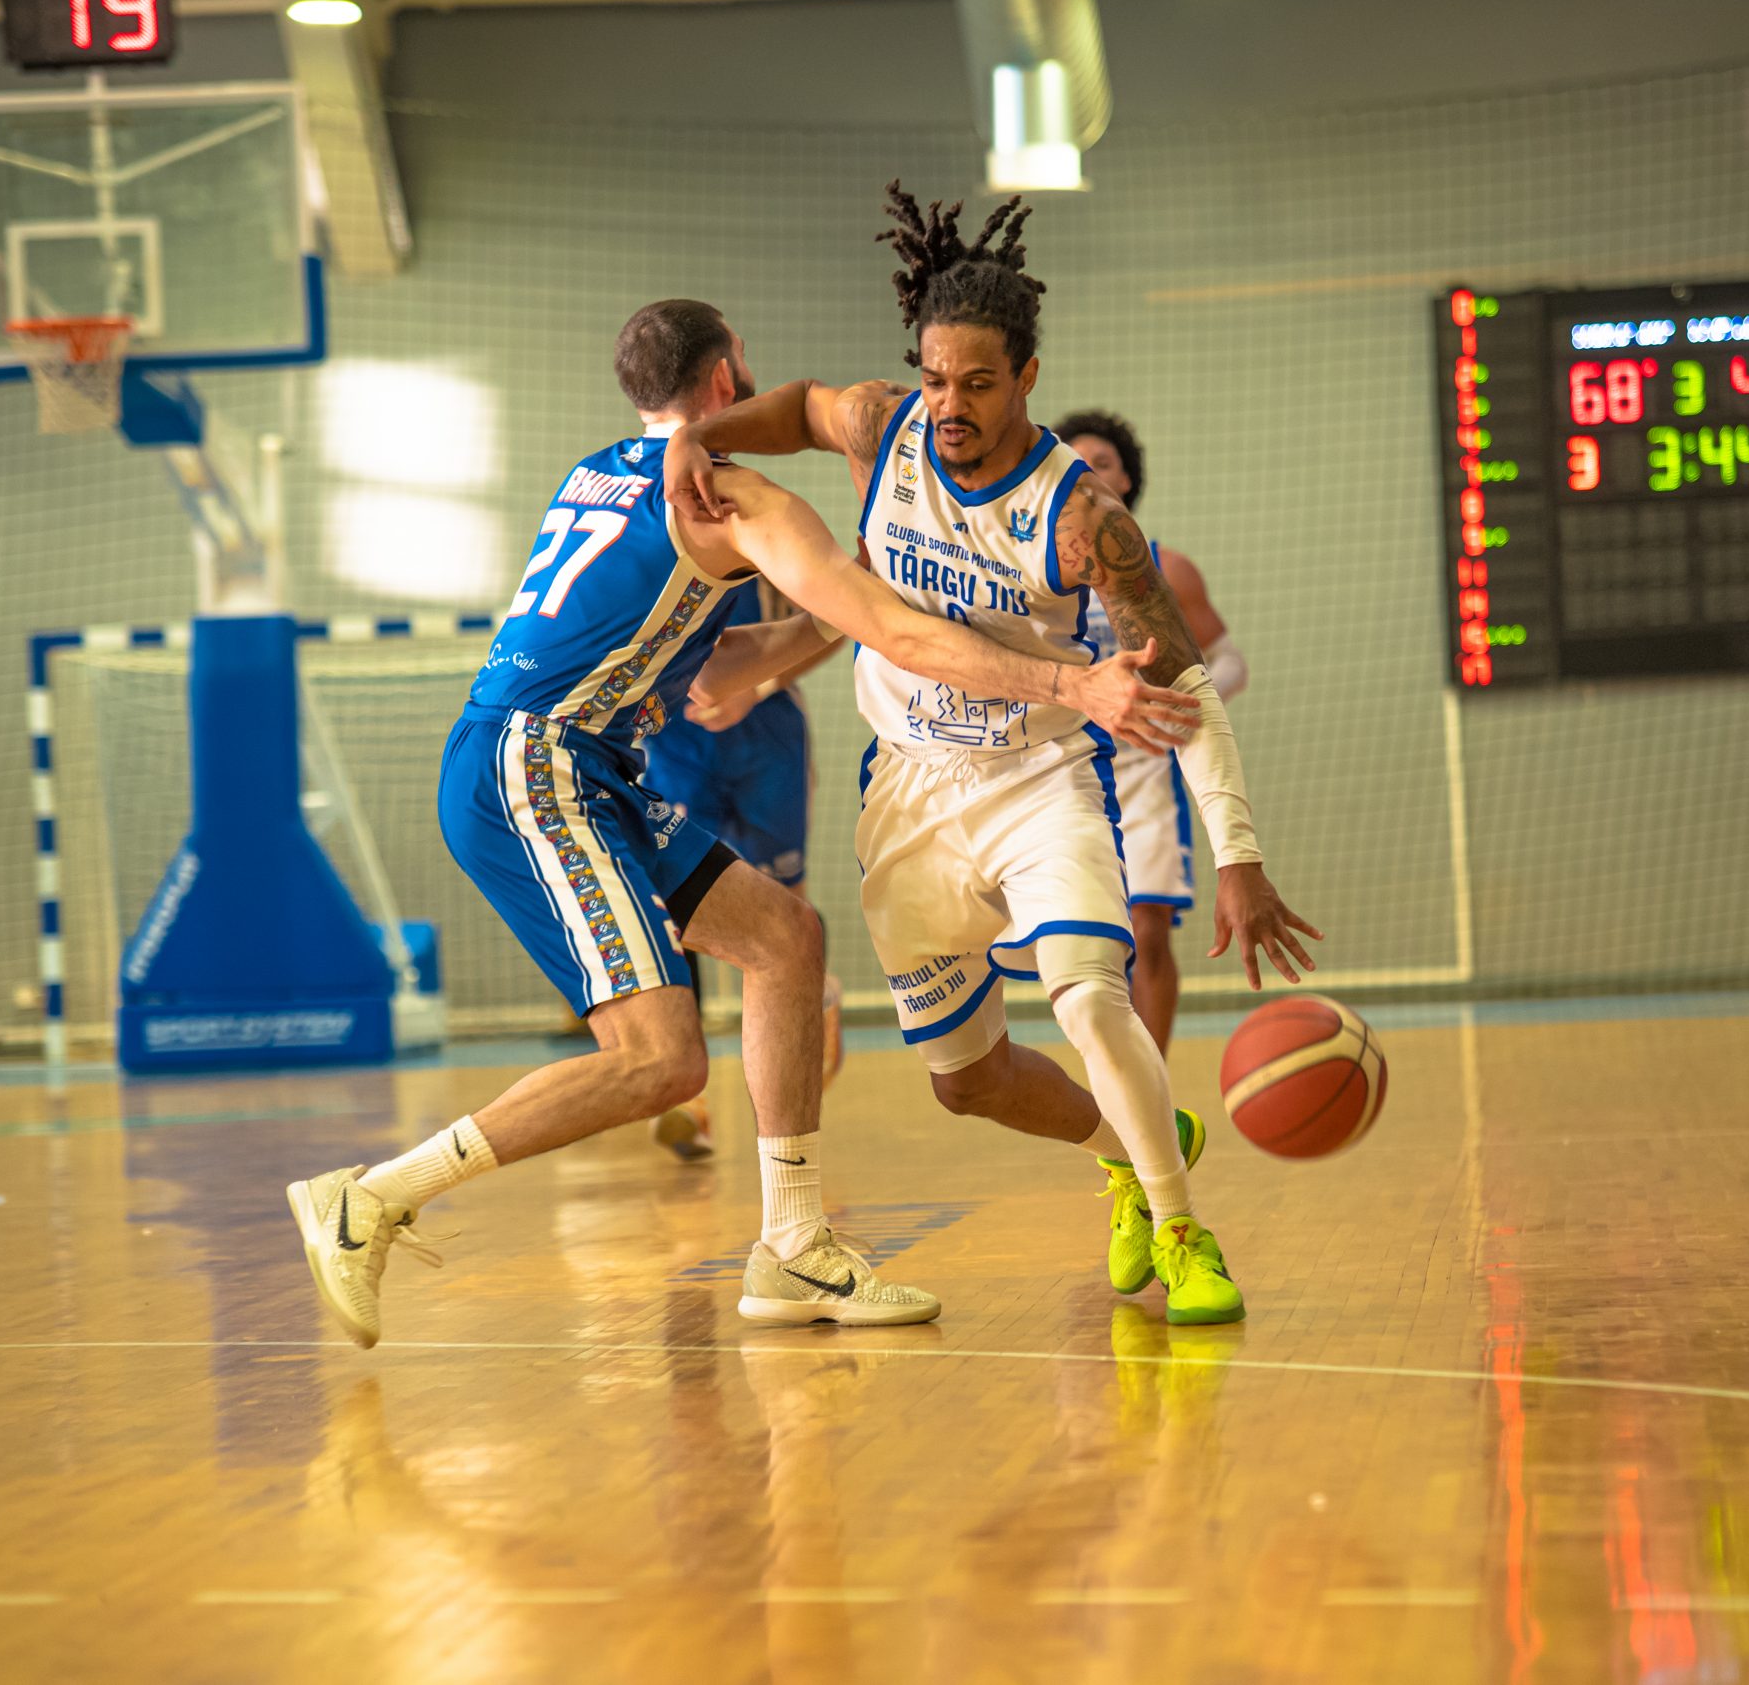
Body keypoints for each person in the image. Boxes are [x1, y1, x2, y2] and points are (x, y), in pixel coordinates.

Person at [287, 298, 1199, 1346]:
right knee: (661, 1062)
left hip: (577, 759)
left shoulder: (595, 474)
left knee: (785, 939)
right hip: (537, 767)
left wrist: (787, 634)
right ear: (725, 379)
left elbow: (690, 658)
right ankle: (372, 1199)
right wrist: (1069, 681)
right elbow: (897, 632)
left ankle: (796, 1245)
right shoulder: (736, 499)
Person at [669, 186, 1319, 1326]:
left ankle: (1182, 1231)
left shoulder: (1082, 519)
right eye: (935, 378)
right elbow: (803, 405)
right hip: (908, 787)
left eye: (977, 383)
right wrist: (698, 436)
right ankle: (1134, 1148)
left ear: (1026, 375)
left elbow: (1185, 682)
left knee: (1089, 997)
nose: (950, 405)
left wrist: (1241, 855)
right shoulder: (885, 427)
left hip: (1039, 778)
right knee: (966, 1082)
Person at [1053, 410, 1249, 1053]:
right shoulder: (1037, 570)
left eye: (1101, 463)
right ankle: (1112, 1079)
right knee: (1088, 947)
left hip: (1144, 771)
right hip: (1065, 770)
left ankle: (1154, 1083)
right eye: (1074, 462)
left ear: (1126, 480)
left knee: (1149, 930)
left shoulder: (1167, 567)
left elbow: (1229, 662)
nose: (1087, 474)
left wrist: (1174, 706)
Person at [639, 576, 842, 1163]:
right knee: (673, 910)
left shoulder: (770, 540)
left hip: (766, 735)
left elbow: (839, 619)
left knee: (784, 909)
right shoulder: (644, 544)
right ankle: (687, 1097)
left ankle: (817, 1000)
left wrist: (760, 684)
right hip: (674, 741)